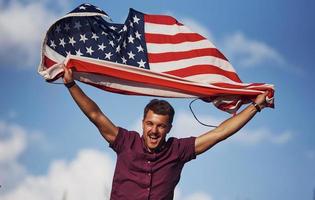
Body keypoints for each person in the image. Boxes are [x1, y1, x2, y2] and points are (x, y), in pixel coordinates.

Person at [62, 66, 269, 200]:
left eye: (161, 126)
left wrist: (255, 107)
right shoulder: (125, 142)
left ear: (169, 128)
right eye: (150, 124)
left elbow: (219, 133)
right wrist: (71, 84)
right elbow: (95, 115)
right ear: (142, 123)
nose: (154, 130)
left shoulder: (178, 150)